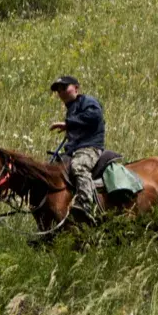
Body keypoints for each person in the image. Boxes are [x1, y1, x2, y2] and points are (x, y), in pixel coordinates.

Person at [49, 75, 105, 218]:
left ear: (76, 88)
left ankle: (85, 204)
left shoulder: (87, 101)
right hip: (74, 149)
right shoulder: (71, 108)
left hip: (90, 147)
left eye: (64, 87)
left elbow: (95, 116)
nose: (61, 92)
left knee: (79, 166)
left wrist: (68, 123)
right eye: (58, 90)